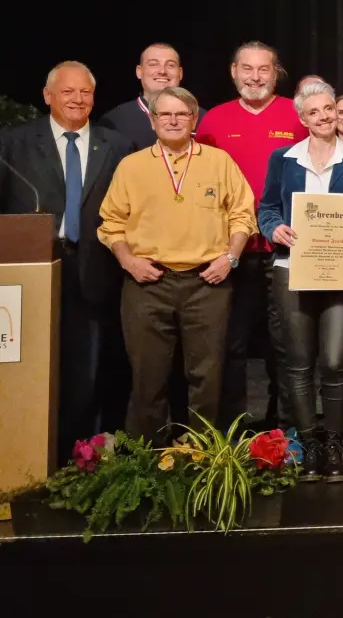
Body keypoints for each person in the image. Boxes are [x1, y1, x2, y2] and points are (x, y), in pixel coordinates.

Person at [98, 86, 256, 442]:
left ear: (194, 119)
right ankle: (148, 457)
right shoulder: (132, 166)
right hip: (148, 283)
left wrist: (230, 258)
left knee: (207, 376)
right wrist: (128, 261)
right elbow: (111, 223)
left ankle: (202, 453)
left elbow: (243, 215)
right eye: (165, 114)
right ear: (153, 121)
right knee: (148, 377)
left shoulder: (219, 162)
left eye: (181, 114)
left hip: (207, 283)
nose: (173, 120)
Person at [0, 61, 134, 456]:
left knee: (89, 366)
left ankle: (84, 453)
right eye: (67, 91)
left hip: (96, 267)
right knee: (33, 360)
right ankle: (29, 446)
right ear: (47, 96)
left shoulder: (117, 146)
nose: (77, 99)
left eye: (85, 92)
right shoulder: (13, 143)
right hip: (31, 271)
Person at [257, 81, 343, 483]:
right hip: (292, 270)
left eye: (329, 109)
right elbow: (267, 208)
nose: (324, 117)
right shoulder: (283, 159)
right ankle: (309, 445)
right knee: (298, 363)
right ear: (302, 118)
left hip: (341, 273)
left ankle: (334, 444)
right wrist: (274, 228)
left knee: (335, 361)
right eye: (315, 112)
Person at [195, 41, 307, 428]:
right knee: (232, 344)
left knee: (286, 344)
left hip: (286, 248)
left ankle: (285, 429)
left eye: (264, 69)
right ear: (233, 71)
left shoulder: (297, 116)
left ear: (276, 73)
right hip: (232, 252)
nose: (255, 77)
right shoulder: (214, 121)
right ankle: (230, 430)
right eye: (247, 68)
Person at [99, 42, 207, 149]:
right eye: (153, 64)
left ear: (180, 73)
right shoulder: (114, 121)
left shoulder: (203, 118)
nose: (162, 71)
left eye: (170, 65)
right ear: (139, 71)